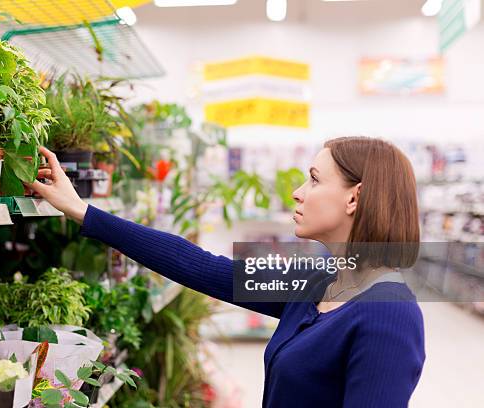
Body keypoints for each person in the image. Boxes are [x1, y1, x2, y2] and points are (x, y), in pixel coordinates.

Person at [27, 136, 425, 408]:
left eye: (315, 179)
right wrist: (82, 210)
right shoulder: (318, 282)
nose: (298, 192)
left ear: (354, 197)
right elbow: (197, 265)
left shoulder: (388, 314)